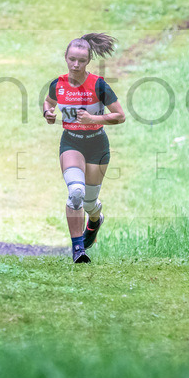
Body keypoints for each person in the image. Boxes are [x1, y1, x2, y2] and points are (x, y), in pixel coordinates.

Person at [43, 33, 126, 263]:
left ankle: (95, 219)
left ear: (88, 60)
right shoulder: (57, 84)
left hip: (97, 144)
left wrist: (92, 119)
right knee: (75, 192)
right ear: (66, 58)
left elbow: (120, 116)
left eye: (81, 60)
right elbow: (49, 102)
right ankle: (78, 249)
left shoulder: (98, 85)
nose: (76, 65)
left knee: (89, 202)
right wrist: (47, 113)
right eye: (72, 59)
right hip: (71, 142)